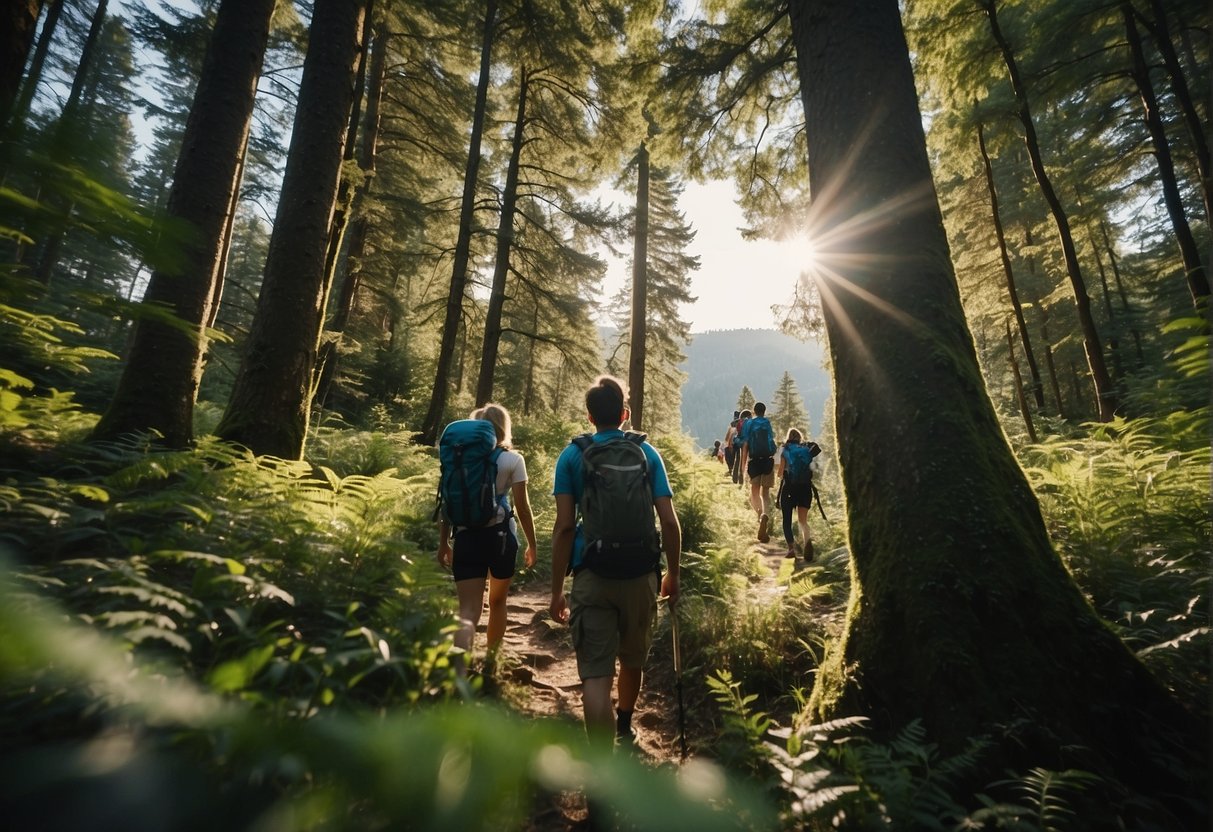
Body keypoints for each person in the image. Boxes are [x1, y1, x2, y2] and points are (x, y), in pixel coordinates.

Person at [550, 376, 681, 749]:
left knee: (595, 676)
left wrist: (557, 590)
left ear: (590, 416)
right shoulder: (646, 454)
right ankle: (624, 726)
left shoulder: (572, 456)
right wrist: (673, 574)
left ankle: (601, 771)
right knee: (632, 657)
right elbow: (669, 522)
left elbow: (563, 528)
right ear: (624, 414)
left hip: (593, 574)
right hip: (641, 573)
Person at [437, 403, 537, 675]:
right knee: (497, 602)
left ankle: (458, 674)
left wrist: (444, 542)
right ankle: (491, 663)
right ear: (504, 427)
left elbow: (447, 500)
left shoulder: (459, 458)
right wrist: (532, 543)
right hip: (501, 538)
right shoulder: (512, 460)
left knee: (468, 610)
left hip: (466, 538)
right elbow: (523, 507)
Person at [776, 428, 817, 561]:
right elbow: (813, 469)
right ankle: (807, 542)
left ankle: (791, 549)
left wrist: (782, 473)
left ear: (788, 437)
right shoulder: (806, 451)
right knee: (802, 520)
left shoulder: (785, 450)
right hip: (805, 488)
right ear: (800, 438)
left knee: (787, 519)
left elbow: (780, 473)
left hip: (789, 488)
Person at [740, 402, 775, 542]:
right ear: (764, 411)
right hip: (767, 461)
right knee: (765, 493)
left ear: (754, 411)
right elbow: (771, 442)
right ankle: (765, 514)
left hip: (754, 462)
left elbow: (745, 444)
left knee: (754, 493)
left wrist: (742, 466)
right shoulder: (767, 423)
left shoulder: (749, 423)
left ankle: (760, 514)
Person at [731, 408, 751, 485]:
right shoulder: (749, 423)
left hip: (739, 443)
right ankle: (743, 479)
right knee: (745, 461)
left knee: (738, 460)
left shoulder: (739, 423)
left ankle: (736, 478)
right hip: (747, 443)